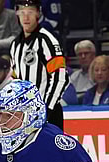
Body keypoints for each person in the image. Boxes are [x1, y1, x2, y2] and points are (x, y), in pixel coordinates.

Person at [10, 0, 69, 129]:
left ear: (38, 13)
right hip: (24, 114)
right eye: (22, 12)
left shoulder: (46, 40)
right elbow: (15, 79)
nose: (26, 17)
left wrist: (47, 108)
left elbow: (61, 77)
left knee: (48, 149)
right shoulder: (15, 45)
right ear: (17, 13)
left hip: (48, 113)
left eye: (30, 12)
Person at [63, 40, 96, 105]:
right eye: (80, 54)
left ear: (93, 55)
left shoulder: (100, 75)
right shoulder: (74, 76)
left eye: (86, 53)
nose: (83, 57)